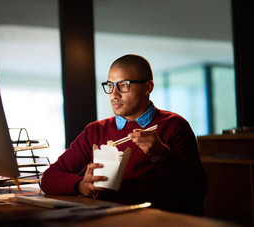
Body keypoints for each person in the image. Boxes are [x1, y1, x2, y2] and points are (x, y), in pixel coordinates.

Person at [41, 54, 208, 215]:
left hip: (154, 218)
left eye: (123, 85)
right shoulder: (96, 130)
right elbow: (48, 179)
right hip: (106, 216)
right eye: (110, 85)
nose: (114, 94)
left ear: (147, 87)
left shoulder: (174, 125)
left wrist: (161, 154)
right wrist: (81, 185)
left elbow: (196, 190)